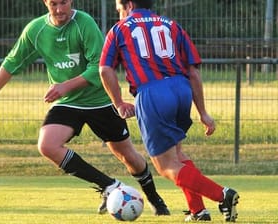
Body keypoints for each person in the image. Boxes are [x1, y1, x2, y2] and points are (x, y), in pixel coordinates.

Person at [0, 0, 170, 216]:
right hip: (68, 102)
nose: (59, 9)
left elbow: (100, 68)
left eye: (64, 3)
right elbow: (12, 61)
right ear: (45, 3)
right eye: (53, 4)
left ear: (71, 2)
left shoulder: (84, 23)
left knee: (127, 155)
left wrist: (65, 86)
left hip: (100, 100)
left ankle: (154, 198)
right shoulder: (36, 30)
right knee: (47, 145)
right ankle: (110, 186)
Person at [99, 0, 240, 222]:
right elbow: (193, 71)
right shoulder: (172, 25)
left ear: (129, 4)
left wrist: (118, 103)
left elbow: (105, 69)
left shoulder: (120, 29)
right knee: (178, 155)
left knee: (165, 166)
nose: (118, 11)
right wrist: (202, 112)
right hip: (181, 89)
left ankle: (222, 195)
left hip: (153, 92)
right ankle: (198, 211)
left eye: (118, 6)